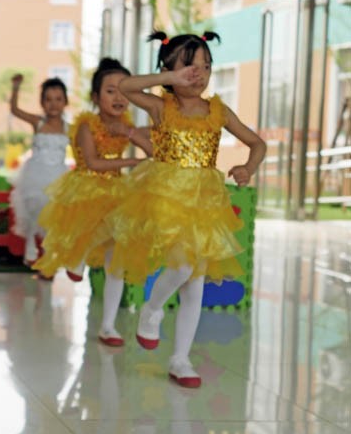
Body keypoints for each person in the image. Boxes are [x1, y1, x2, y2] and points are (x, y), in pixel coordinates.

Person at [111, 32, 266, 388]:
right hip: (165, 196)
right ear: (168, 69)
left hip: (204, 201)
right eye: (189, 66)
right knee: (182, 266)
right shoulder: (160, 106)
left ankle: (180, 359)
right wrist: (168, 81)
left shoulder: (218, 111)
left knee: (194, 283)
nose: (199, 74)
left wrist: (247, 168)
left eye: (206, 66)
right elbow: (126, 86)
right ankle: (151, 310)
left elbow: (257, 143)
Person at [34, 59, 151, 326]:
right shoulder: (87, 125)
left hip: (116, 189)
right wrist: (131, 162)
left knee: (115, 262)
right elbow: (94, 162)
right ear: (96, 97)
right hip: (87, 184)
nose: (119, 97)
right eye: (111, 91)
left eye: (125, 91)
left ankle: (108, 326)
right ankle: (78, 259)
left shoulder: (126, 124)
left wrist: (133, 132)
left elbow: (152, 150)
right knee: (88, 220)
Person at [7, 75, 68, 266]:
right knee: (35, 210)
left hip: (58, 175)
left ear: (65, 102)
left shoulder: (69, 128)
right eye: (48, 100)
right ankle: (30, 245)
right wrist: (16, 87)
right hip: (36, 174)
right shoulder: (38, 122)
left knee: (54, 216)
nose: (53, 104)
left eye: (58, 99)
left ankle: (50, 254)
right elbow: (15, 110)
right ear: (42, 103)